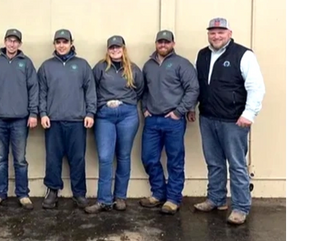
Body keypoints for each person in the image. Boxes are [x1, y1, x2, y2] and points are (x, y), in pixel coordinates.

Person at [187, 18, 266, 225]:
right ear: (208, 35)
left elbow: (256, 87)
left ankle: (240, 207)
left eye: (221, 32)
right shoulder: (203, 55)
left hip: (234, 120)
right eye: (212, 32)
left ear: (229, 33)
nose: (216, 36)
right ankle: (216, 198)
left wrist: (249, 114)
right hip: (208, 117)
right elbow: (199, 85)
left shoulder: (243, 54)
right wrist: (192, 107)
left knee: (237, 165)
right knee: (214, 163)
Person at [139, 30, 199, 214]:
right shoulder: (148, 65)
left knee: (175, 160)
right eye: (160, 42)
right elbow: (144, 90)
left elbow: (193, 89)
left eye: (166, 42)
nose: (163, 45)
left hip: (173, 121)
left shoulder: (182, 64)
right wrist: (145, 109)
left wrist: (179, 111)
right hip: (152, 120)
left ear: (173, 43)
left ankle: (173, 198)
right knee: (148, 157)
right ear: (156, 43)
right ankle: (158, 194)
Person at [37, 29, 97, 209]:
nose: (61, 45)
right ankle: (52, 191)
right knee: (53, 157)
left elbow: (90, 91)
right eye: (58, 42)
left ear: (71, 43)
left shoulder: (82, 65)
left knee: (77, 158)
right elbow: (42, 93)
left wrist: (90, 113)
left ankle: (79, 193)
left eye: (65, 42)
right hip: (53, 121)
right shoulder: (46, 66)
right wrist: (43, 113)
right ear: (54, 44)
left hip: (77, 121)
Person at [84, 35, 144, 214]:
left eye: (118, 47)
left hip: (127, 115)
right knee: (105, 157)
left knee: (124, 156)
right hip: (104, 116)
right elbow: (91, 90)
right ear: (108, 50)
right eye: (112, 48)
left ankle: (120, 197)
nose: (115, 51)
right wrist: (100, 107)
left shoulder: (133, 69)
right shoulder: (100, 68)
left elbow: (140, 90)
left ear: (123, 48)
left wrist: (125, 103)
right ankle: (104, 200)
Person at [0, 29, 38, 210]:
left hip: (20, 120)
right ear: (5, 42)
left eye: (15, 41)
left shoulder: (26, 63)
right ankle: (0, 193)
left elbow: (34, 90)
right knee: (0, 159)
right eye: (9, 40)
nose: (12, 44)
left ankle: (23, 194)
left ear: (20, 44)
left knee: (20, 159)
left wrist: (33, 113)